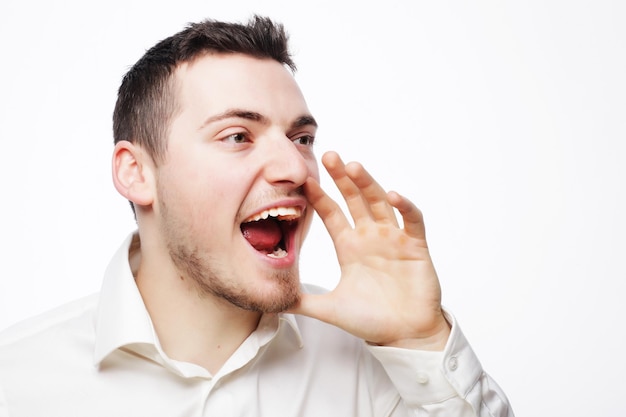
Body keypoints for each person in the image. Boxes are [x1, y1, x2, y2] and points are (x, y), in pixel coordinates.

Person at [0, 15, 514, 416]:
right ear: (136, 173)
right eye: (238, 136)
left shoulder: (375, 361)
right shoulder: (17, 383)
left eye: (302, 139)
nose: (295, 167)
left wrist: (421, 342)